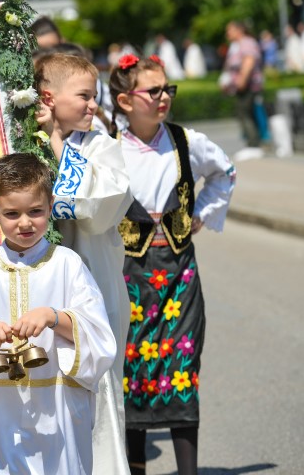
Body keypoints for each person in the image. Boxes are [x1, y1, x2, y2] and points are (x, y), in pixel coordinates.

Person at [0, 152, 116, 475]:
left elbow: (100, 336)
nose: (25, 223)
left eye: (35, 211)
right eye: (12, 213)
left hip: (58, 410)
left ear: (49, 206)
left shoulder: (67, 265)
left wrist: (54, 317)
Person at [108, 54, 236, 475]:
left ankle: (188, 471)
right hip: (130, 275)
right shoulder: (108, 148)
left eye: (168, 89)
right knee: (134, 368)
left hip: (180, 270)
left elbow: (225, 171)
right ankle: (136, 468)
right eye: (154, 90)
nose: (164, 97)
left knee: (181, 364)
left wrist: (200, 214)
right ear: (126, 101)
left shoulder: (186, 141)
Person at [35, 52, 133, 475]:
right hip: (40, 293)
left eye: (94, 96)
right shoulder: (24, 142)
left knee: (98, 387)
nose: (93, 105)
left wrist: (59, 146)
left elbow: (99, 208)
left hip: (96, 283)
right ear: (48, 97)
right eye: (84, 96)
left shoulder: (102, 146)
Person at [220, 20, 264, 149]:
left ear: (239, 30)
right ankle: (252, 142)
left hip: (248, 86)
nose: (227, 33)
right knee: (243, 112)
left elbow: (248, 62)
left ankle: (254, 144)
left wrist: (242, 80)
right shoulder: (236, 45)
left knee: (245, 112)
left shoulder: (247, 43)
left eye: (230, 30)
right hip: (241, 86)